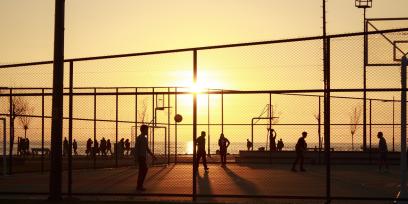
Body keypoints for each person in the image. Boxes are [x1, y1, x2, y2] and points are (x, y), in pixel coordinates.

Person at [135, 124, 155, 191]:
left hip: (143, 157)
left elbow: (147, 148)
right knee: (143, 170)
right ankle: (139, 186)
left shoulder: (145, 139)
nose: (147, 131)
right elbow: (136, 148)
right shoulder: (139, 138)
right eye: (146, 130)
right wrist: (136, 157)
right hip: (140, 157)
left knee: (143, 170)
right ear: (142, 130)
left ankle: (139, 185)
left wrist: (152, 155)